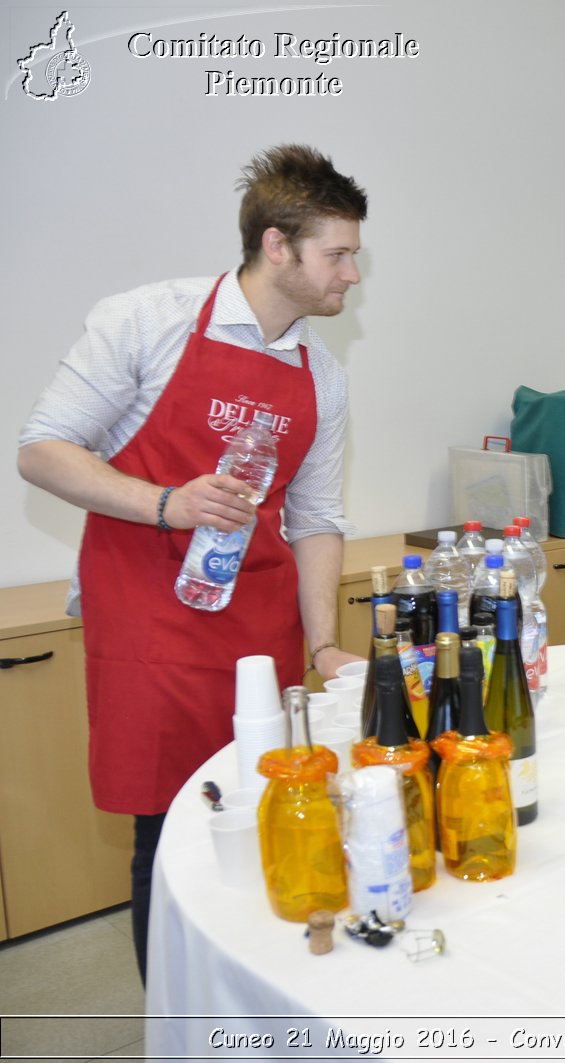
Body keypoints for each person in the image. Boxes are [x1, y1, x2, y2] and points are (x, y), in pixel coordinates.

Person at [16, 144, 367, 981]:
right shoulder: (148, 320)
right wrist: (167, 501)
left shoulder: (325, 375)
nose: (352, 274)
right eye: (338, 254)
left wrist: (321, 647)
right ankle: (178, 1019)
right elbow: (42, 451)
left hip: (259, 625)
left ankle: (258, 1002)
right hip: (150, 619)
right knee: (170, 831)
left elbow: (316, 519)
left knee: (265, 812)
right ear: (277, 245)